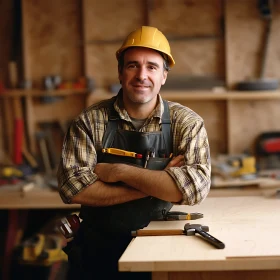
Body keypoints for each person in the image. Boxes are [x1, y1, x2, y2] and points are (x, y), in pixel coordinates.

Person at [57, 26, 211, 280]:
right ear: (120, 72)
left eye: (151, 67)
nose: (142, 75)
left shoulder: (187, 123)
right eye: (132, 66)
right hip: (99, 253)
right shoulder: (90, 120)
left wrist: (118, 171)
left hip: (163, 246)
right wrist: (160, 180)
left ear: (164, 76)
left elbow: (193, 190)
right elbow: (73, 188)